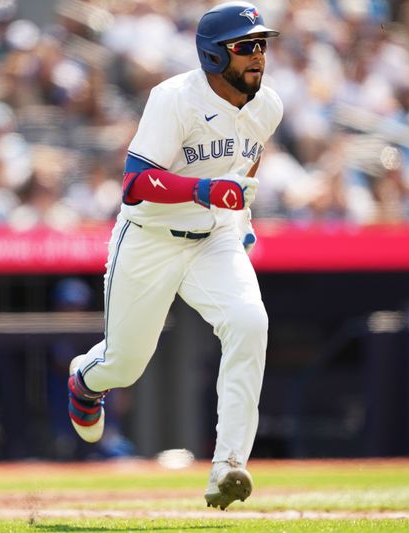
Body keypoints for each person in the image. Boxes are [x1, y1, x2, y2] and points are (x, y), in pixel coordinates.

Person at [66, 2, 282, 510]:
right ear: (212, 56)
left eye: (261, 45)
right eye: (244, 47)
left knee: (251, 322)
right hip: (149, 238)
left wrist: (241, 223)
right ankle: (85, 379)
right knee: (124, 364)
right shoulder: (174, 99)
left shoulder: (267, 104)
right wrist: (205, 189)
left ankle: (228, 464)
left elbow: (247, 169)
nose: (258, 56)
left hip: (214, 238)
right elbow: (135, 184)